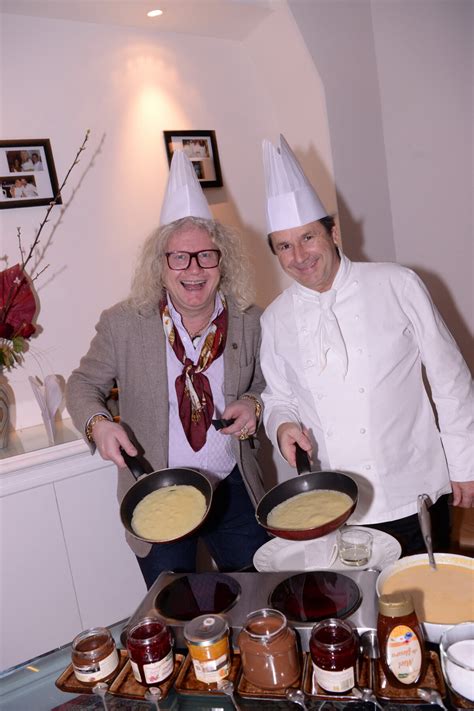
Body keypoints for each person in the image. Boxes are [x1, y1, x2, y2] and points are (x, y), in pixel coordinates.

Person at [259, 134, 474, 556]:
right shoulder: (275, 318)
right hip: (333, 504)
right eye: (284, 246)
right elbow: (278, 396)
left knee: (420, 604)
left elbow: (450, 379)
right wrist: (281, 424)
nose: (299, 255)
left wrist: (465, 464)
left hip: (413, 491)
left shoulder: (397, 284)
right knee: (354, 609)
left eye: (307, 237)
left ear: (333, 231)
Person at [66, 150, 269, 588]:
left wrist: (254, 403)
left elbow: (266, 383)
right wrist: (98, 425)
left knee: (257, 597)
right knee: (176, 609)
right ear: (160, 266)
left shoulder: (250, 319)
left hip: (233, 486)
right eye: (179, 257)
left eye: (205, 256)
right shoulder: (123, 323)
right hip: (157, 487)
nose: (193, 270)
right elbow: (82, 384)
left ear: (223, 262)